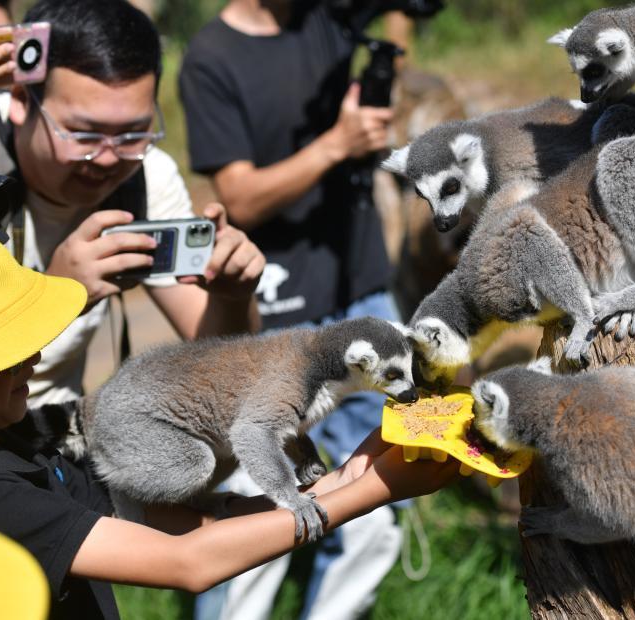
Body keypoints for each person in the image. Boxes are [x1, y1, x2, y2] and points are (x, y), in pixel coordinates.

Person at [0, 217, 458, 620]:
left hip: (138, 422)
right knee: (202, 462)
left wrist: (348, 481)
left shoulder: (15, 449)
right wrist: (374, 490)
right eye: (10, 351)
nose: (37, 360)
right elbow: (190, 561)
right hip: (147, 423)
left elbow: (186, 528)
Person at [179, 1, 409, 617]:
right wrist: (337, 144)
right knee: (262, 503)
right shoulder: (211, 58)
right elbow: (239, 197)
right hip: (279, 315)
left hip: (364, 289)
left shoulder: (328, 20)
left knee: (384, 490)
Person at [0, 0, 265, 411]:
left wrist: (232, 297)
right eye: (84, 135)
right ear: (19, 98)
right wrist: (57, 296)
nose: (107, 158)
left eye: (133, 134)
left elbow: (227, 367)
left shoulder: (145, 175)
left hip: (52, 435)